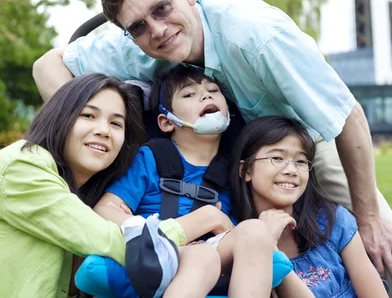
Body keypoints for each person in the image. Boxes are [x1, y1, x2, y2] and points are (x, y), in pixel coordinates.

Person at [32, 0, 392, 297]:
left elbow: (347, 115)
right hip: (225, 154)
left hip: (302, 137)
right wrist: (100, 128)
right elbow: (46, 65)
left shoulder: (258, 34)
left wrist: (369, 216)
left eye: (161, 9)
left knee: (379, 241)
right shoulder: (132, 48)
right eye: (137, 26)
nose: (156, 29)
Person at [0, 74, 190, 298]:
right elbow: (116, 241)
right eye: (88, 116)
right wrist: (201, 227)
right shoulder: (22, 166)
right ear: (61, 117)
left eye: (116, 123)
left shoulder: (76, 192)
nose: (104, 130)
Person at [91, 65, 294, 298]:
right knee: (202, 257)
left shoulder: (234, 170)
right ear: (167, 122)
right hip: (156, 255)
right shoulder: (150, 158)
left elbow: (238, 234)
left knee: (255, 230)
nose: (206, 95)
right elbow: (103, 210)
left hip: (213, 256)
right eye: (189, 94)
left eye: (214, 90)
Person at [231, 116, 389, 297]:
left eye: (300, 161)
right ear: (245, 170)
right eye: (277, 157)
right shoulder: (235, 236)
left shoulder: (332, 219)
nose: (291, 170)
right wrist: (267, 245)